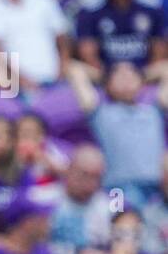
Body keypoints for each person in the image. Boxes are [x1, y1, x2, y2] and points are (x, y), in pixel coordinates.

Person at [70, 60, 166, 209]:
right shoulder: (100, 112)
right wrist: (105, 76)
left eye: (131, 75)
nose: (126, 78)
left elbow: (165, 68)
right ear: (108, 84)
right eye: (119, 76)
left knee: (156, 230)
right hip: (118, 189)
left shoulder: (154, 111)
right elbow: (75, 70)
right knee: (119, 228)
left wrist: (140, 77)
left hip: (157, 189)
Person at [50, 144, 113, 254]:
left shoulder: (109, 210)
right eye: (84, 175)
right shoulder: (43, 201)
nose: (90, 184)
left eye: (96, 178)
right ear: (69, 169)